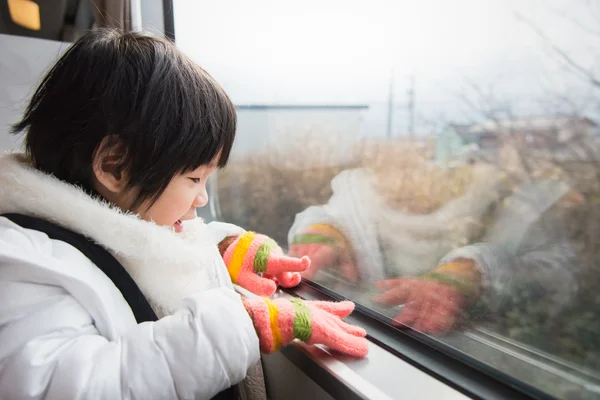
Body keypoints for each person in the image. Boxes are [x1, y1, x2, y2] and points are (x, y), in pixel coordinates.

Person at [0, 29, 368, 400]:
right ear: (114, 165)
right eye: (194, 178)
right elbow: (65, 388)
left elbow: (155, 246)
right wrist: (243, 327)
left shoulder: (121, 219)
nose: (203, 199)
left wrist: (226, 248)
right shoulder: (23, 266)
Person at [289, 160, 583, 334]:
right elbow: (337, 213)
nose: (409, 177)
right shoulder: (364, 191)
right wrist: (326, 232)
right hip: (369, 333)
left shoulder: (512, 198)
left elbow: (561, 267)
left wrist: (474, 273)